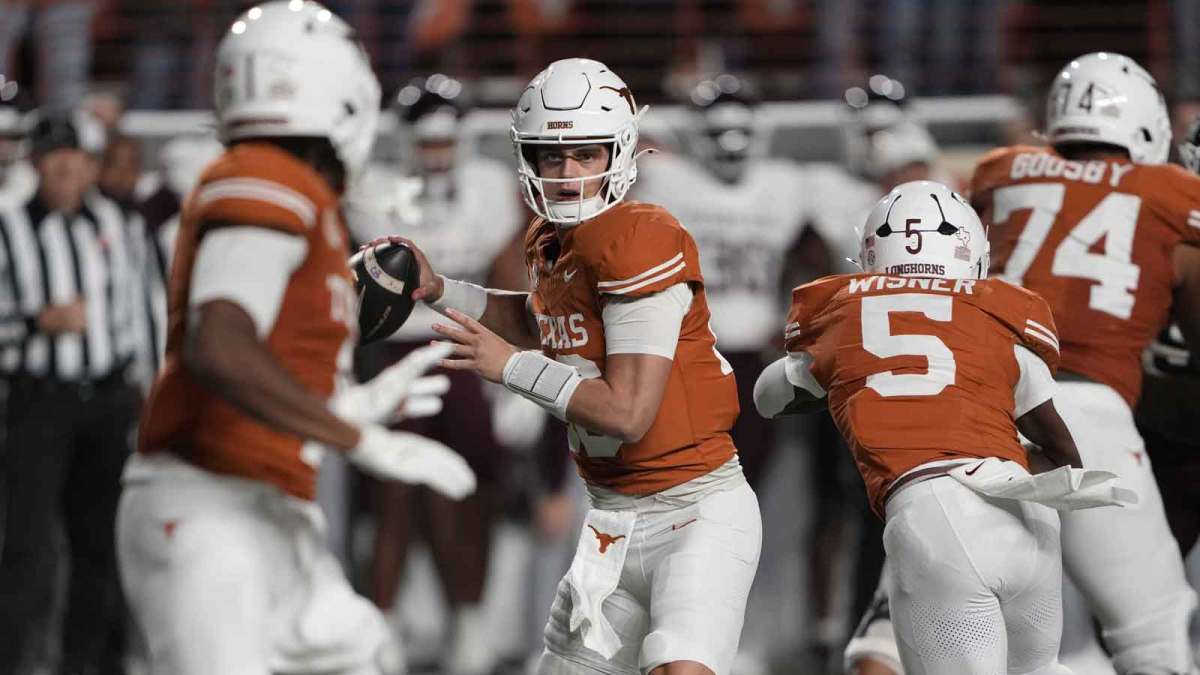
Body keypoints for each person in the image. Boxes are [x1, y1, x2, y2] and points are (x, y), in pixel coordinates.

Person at [114, 3, 476, 673]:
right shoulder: (269, 174)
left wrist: (346, 406)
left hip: (267, 508)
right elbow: (219, 343)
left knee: (363, 651)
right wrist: (358, 438)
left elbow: (262, 356)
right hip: (208, 507)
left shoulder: (296, 193)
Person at [386, 57, 762, 675]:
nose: (567, 174)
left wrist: (509, 368)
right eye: (550, 157)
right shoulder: (553, 240)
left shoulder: (640, 234)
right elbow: (541, 323)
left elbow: (627, 413)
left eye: (585, 154)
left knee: (679, 667)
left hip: (693, 513)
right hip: (611, 520)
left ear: (619, 152)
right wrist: (441, 290)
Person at [754, 179, 1135, 674]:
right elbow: (1065, 454)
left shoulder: (844, 317)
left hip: (931, 511)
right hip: (1026, 512)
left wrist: (831, 379)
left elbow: (767, 398)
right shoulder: (1002, 319)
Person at [970, 52, 1200, 675]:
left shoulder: (1001, 172)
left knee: (947, 629)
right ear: (1150, 128)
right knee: (1154, 632)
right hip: (1085, 412)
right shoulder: (1174, 194)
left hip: (971, 413)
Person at [346, 74, 523, 675]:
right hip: (399, 352)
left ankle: (469, 621)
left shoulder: (491, 187)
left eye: (446, 143)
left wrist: (522, 363)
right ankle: (383, 624)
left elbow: (511, 274)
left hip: (473, 347)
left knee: (472, 494)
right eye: (427, 144)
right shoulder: (374, 186)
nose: (437, 155)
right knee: (392, 495)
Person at [0, 113, 143, 674]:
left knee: (101, 545)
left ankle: (88, 667)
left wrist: (146, 384)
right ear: (37, 163)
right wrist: (38, 324)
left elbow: (141, 313)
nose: (69, 168)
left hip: (108, 402)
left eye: (80, 159)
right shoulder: (9, 229)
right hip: (40, 401)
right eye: (58, 157)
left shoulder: (118, 226)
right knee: (27, 549)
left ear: (91, 167)